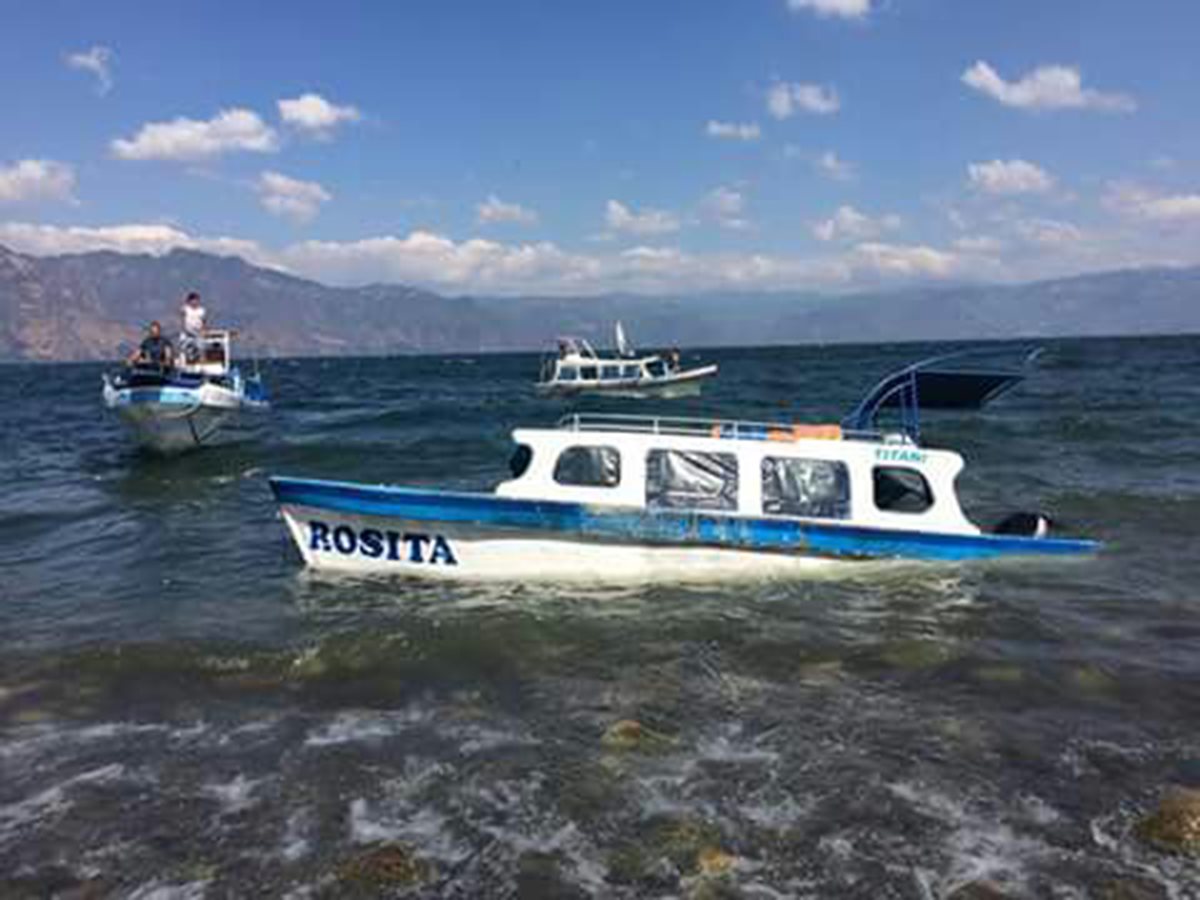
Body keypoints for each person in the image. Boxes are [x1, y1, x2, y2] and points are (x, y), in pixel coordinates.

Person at [180, 291, 207, 361]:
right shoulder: (186, 309)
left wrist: (203, 331)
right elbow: (182, 317)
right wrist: (183, 328)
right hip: (187, 332)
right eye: (193, 300)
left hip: (197, 332)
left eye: (196, 300)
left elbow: (204, 321)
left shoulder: (201, 311)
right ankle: (184, 360)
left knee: (201, 346)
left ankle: (202, 360)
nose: (194, 302)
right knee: (183, 345)